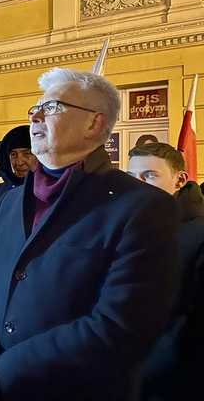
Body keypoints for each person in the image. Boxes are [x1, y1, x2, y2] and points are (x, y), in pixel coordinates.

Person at [0, 68, 179, 401]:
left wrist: (1, 373)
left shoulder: (143, 207)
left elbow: (119, 326)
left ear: (94, 123)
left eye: (52, 106)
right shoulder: (10, 201)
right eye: (35, 107)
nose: (36, 115)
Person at [127, 142, 204, 401]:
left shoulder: (198, 235)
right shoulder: (125, 226)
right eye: (132, 177)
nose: (138, 186)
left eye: (149, 176)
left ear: (180, 179)